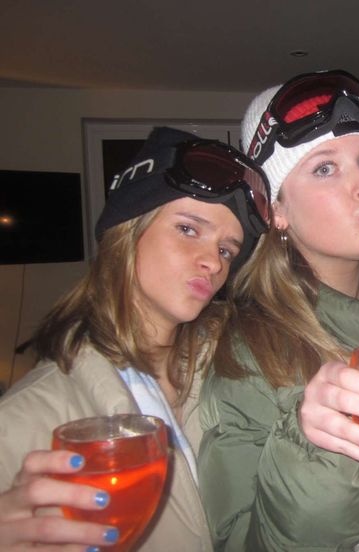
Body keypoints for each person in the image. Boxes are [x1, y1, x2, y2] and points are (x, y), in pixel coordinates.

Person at [196, 69, 359, 551]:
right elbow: (238, 542)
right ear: (277, 210)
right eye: (325, 168)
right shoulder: (249, 358)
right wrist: (315, 445)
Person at [0, 127, 270, 550]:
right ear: (128, 230)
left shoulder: (234, 370)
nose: (212, 263)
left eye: (226, 250)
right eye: (188, 229)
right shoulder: (20, 421)